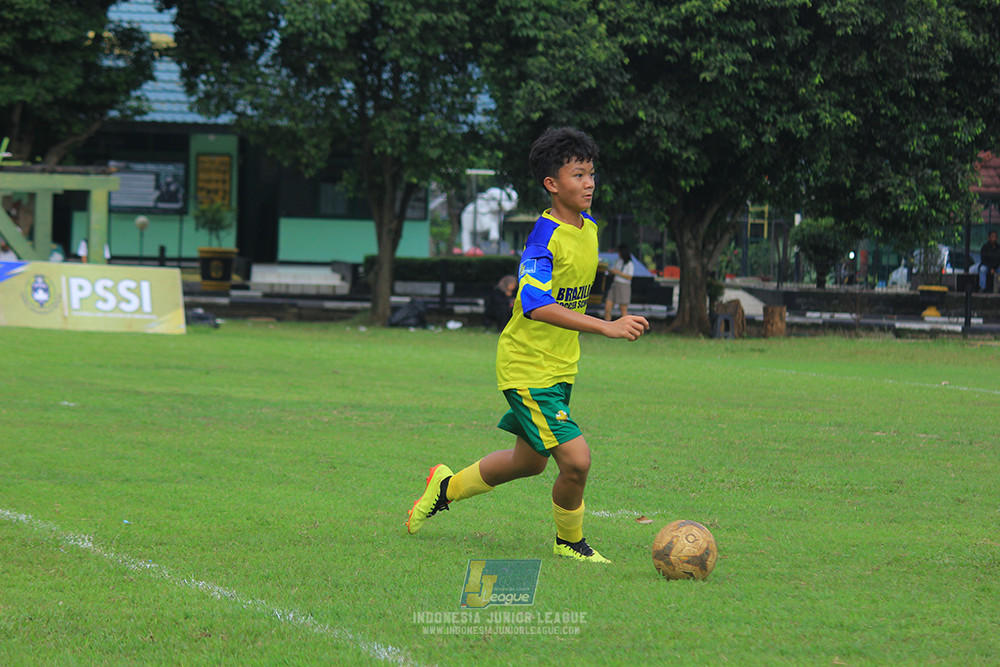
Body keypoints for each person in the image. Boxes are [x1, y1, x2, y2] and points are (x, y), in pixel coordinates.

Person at [405, 127, 650, 563]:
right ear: (552, 184)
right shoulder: (543, 239)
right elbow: (536, 303)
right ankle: (569, 543)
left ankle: (444, 486)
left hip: (560, 365)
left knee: (530, 461)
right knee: (576, 460)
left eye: (591, 173)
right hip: (527, 366)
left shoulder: (589, 228)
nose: (589, 183)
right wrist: (606, 325)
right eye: (578, 175)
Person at [603, 243, 634, 321]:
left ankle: (626, 329)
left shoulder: (629, 264)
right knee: (607, 307)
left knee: (623, 310)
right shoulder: (618, 261)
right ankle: (607, 327)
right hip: (615, 284)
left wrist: (618, 272)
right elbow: (613, 270)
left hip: (624, 286)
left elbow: (629, 277)